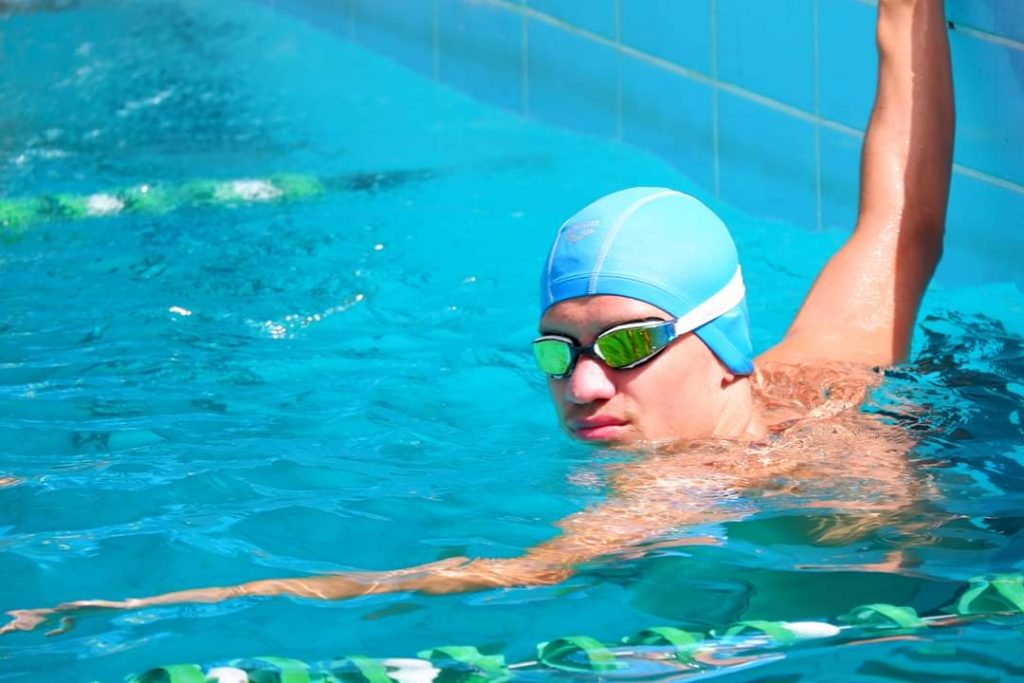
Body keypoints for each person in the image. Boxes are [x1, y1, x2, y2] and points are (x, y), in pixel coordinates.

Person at [2, 0, 953, 634]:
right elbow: (899, 224)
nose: (585, 386)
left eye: (627, 345)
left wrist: (138, 607)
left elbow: (505, 574)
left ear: (724, 343)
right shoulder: (806, 392)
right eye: (560, 351)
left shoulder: (718, 460)